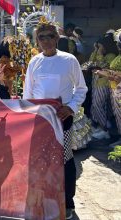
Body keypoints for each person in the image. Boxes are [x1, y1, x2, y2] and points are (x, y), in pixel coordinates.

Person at [23, 17, 88, 220]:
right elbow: (28, 92)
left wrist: (71, 107)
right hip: (40, 120)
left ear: (57, 38)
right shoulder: (35, 61)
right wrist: (28, 113)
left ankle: (67, 202)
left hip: (63, 119)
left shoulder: (69, 60)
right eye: (41, 37)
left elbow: (81, 88)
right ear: (37, 41)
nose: (46, 40)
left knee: (65, 160)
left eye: (50, 36)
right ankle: (41, 199)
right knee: (40, 160)